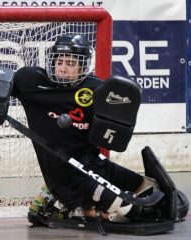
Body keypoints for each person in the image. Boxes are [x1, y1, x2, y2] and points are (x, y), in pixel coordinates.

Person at [10, 35, 159, 223]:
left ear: (82, 67)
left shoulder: (96, 89)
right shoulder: (32, 82)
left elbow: (117, 124)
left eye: (71, 63)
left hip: (93, 165)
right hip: (69, 180)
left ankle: (58, 202)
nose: (63, 67)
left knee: (147, 188)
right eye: (59, 61)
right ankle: (74, 210)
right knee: (139, 213)